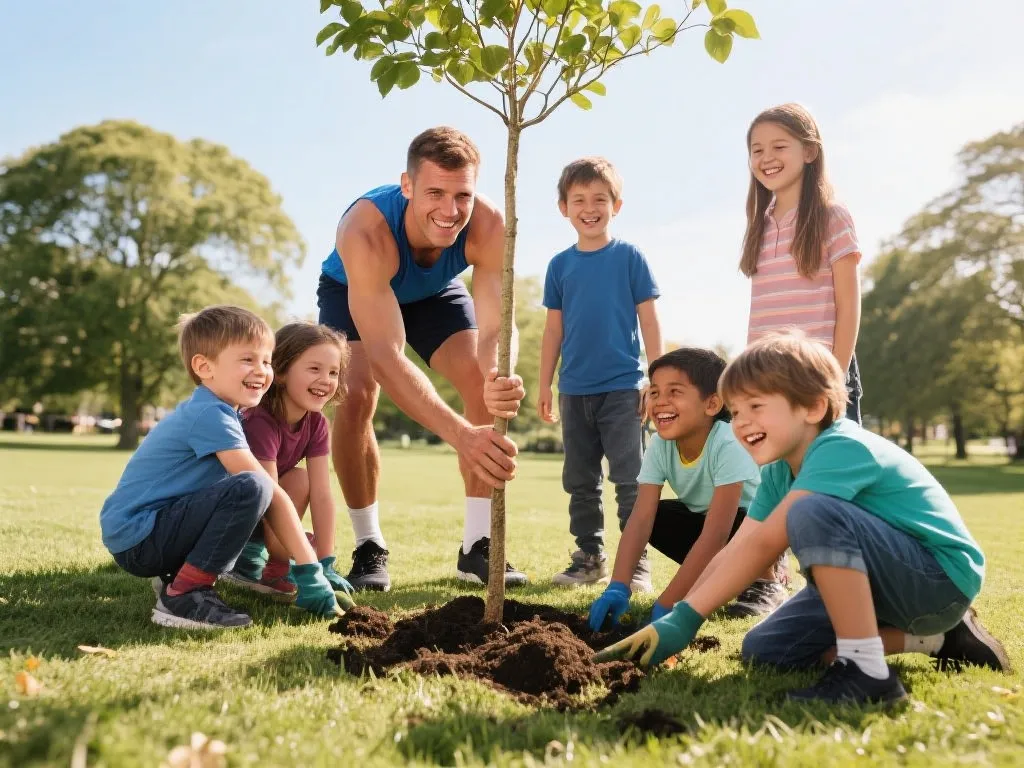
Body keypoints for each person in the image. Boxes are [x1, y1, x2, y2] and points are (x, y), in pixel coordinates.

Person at [595, 333, 1011, 705]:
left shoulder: (842, 448)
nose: (741, 423)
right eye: (736, 411)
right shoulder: (777, 470)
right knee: (767, 651)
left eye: (755, 406)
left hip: (937, 580)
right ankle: (940, 638)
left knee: (812, 511)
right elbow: (742, 548)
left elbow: (764, 542)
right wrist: (682, 618)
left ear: (812, 406)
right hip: (879, 591)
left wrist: (683, 615)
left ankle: (867, 673)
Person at [318, 126, 527, 591]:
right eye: (435, 192)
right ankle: (369, 545)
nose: (450, 211)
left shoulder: (489, 225)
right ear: (407, 185)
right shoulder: (366, 231)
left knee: (479, 378)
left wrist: (498, 374)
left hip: (434, 291)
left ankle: (478, 545)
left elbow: (495, 325)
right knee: (355, 394)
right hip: (357, 286)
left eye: (462, 195)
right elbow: (387, 357)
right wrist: (461, 436)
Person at [99, 306, 342, 630]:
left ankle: (181, 576)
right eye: (247, 360)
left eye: (266, 361)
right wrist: (311, 570)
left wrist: (320, 562)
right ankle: (185, 593)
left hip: (147, 532)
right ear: (204, 367)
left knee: (249, 487)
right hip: (141, 537)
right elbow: (268, 492)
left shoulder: (226, 413)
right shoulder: (211, 415)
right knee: (253, 487)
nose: (261, 371)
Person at [537, 156, 663, 588]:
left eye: (600, 199)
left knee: (631, 479)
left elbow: (649, 321)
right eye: (579, 200)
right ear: (563, 207)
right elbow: (553, 331)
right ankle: (589, 559)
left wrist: (658, 380)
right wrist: (545, 385)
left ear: (617, 205)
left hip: (624, 388)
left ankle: (636, 564)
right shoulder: (559, 266)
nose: (589, 208)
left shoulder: (629, 258)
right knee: (580, 481)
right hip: (574, 391)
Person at [586, 347, 767, 632]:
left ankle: (764, 581)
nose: (660, 402)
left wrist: (669, 603)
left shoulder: (728, 442)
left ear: (712, 404)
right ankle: (717, 576)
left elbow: (717, 533)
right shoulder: (660, 444)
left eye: (675, 392)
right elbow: (641, 519)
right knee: (656, 516)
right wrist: (618, 586)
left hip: (752, 529)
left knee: (743, 523)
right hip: (708, 526)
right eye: (655, 392)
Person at [741, 103, 863, 424]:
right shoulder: (759, 225)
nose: (766, 157)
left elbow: (849, 306)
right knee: (776, 474)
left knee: (830, 470)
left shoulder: (831, 216)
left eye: (779, 147)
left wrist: (834, 376)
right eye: (757, 150)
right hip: (769, 376)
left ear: (809, 152)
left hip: (822, 372)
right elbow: (760, 314)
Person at [222, 322, 356, 603]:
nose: (326, 380)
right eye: (314, 369)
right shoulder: (260, 420)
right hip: (232, 516)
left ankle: (275, 562)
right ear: (280, 372)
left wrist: (325, 561)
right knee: (285, 488)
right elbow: (269, 496)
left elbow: (321, 494)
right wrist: (306, 567)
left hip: (266, 512)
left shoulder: (316, 423)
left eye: (333, 372)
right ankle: (256, 562)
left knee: (301, 478)